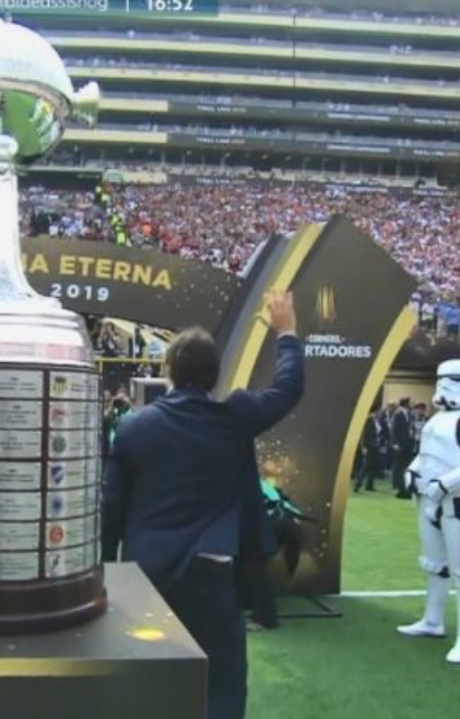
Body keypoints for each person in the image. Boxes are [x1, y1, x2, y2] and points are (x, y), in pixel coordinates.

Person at [101, 291, 303, 719]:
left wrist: (103, 580)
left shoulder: (134, 428)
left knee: (149, 684)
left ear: (168, 371)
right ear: (214, 376)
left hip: (147, 576)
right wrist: (286, 332)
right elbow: (288, 389)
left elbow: (109, 514)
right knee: (222, 686)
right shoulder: (234, 418)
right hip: (213, 573)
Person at [395, 360, 460, 664]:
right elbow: (427, 455)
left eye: (451, 379)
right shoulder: (440, 418)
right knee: (434, 565)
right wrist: (414, 473)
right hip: (430, 500)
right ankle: (432, 619)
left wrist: (444, 484)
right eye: (441, 380)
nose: (444, 386)